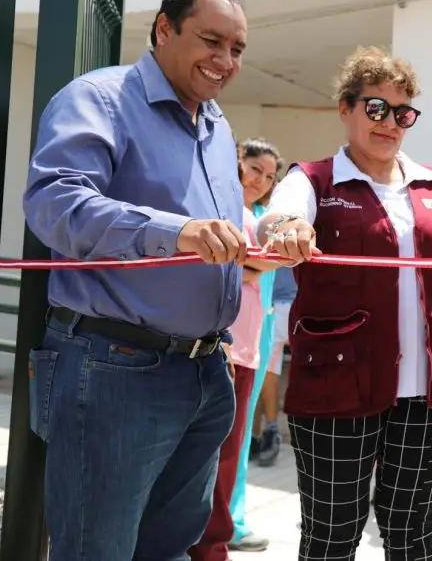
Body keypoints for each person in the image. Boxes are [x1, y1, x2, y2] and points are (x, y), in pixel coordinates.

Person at [23, 0, 248, 560]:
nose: (225, 61)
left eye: (237, 48)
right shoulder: (97, 99)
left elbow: (214, 232)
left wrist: (263, 239)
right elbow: (56, 206)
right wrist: (177, 230)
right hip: (115, 369)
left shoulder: (216, 125)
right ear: (164, 29)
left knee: (168, 549)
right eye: (211, 41)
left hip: (203, 371)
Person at [257, 46, 432, 560]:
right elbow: (276, 218)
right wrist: (287, 227)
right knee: (331, 537)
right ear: (345, 108)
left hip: (425, 394)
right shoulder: (312, 180)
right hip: (336, 388)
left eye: (402, 113)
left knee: (414, 535)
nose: (390, 123)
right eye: (376, 108)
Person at [190, 138, 284, 561]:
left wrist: (263, 262)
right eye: (254, 169)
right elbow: (239, 264)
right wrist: (278, 259)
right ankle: (209, 546)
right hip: (223, 347)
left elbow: (251, 265)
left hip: (247, 348)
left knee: (231, 450)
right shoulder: (222, 210)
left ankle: (216, 537)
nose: (260, 180)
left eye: (269, 176)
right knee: (215, 453)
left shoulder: (257, 217)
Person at [251, 264, 296, 467]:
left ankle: (270, 431)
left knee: (266, 369)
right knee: (258, 367)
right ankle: (255, 435)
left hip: (286, 303)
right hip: (264, 300)